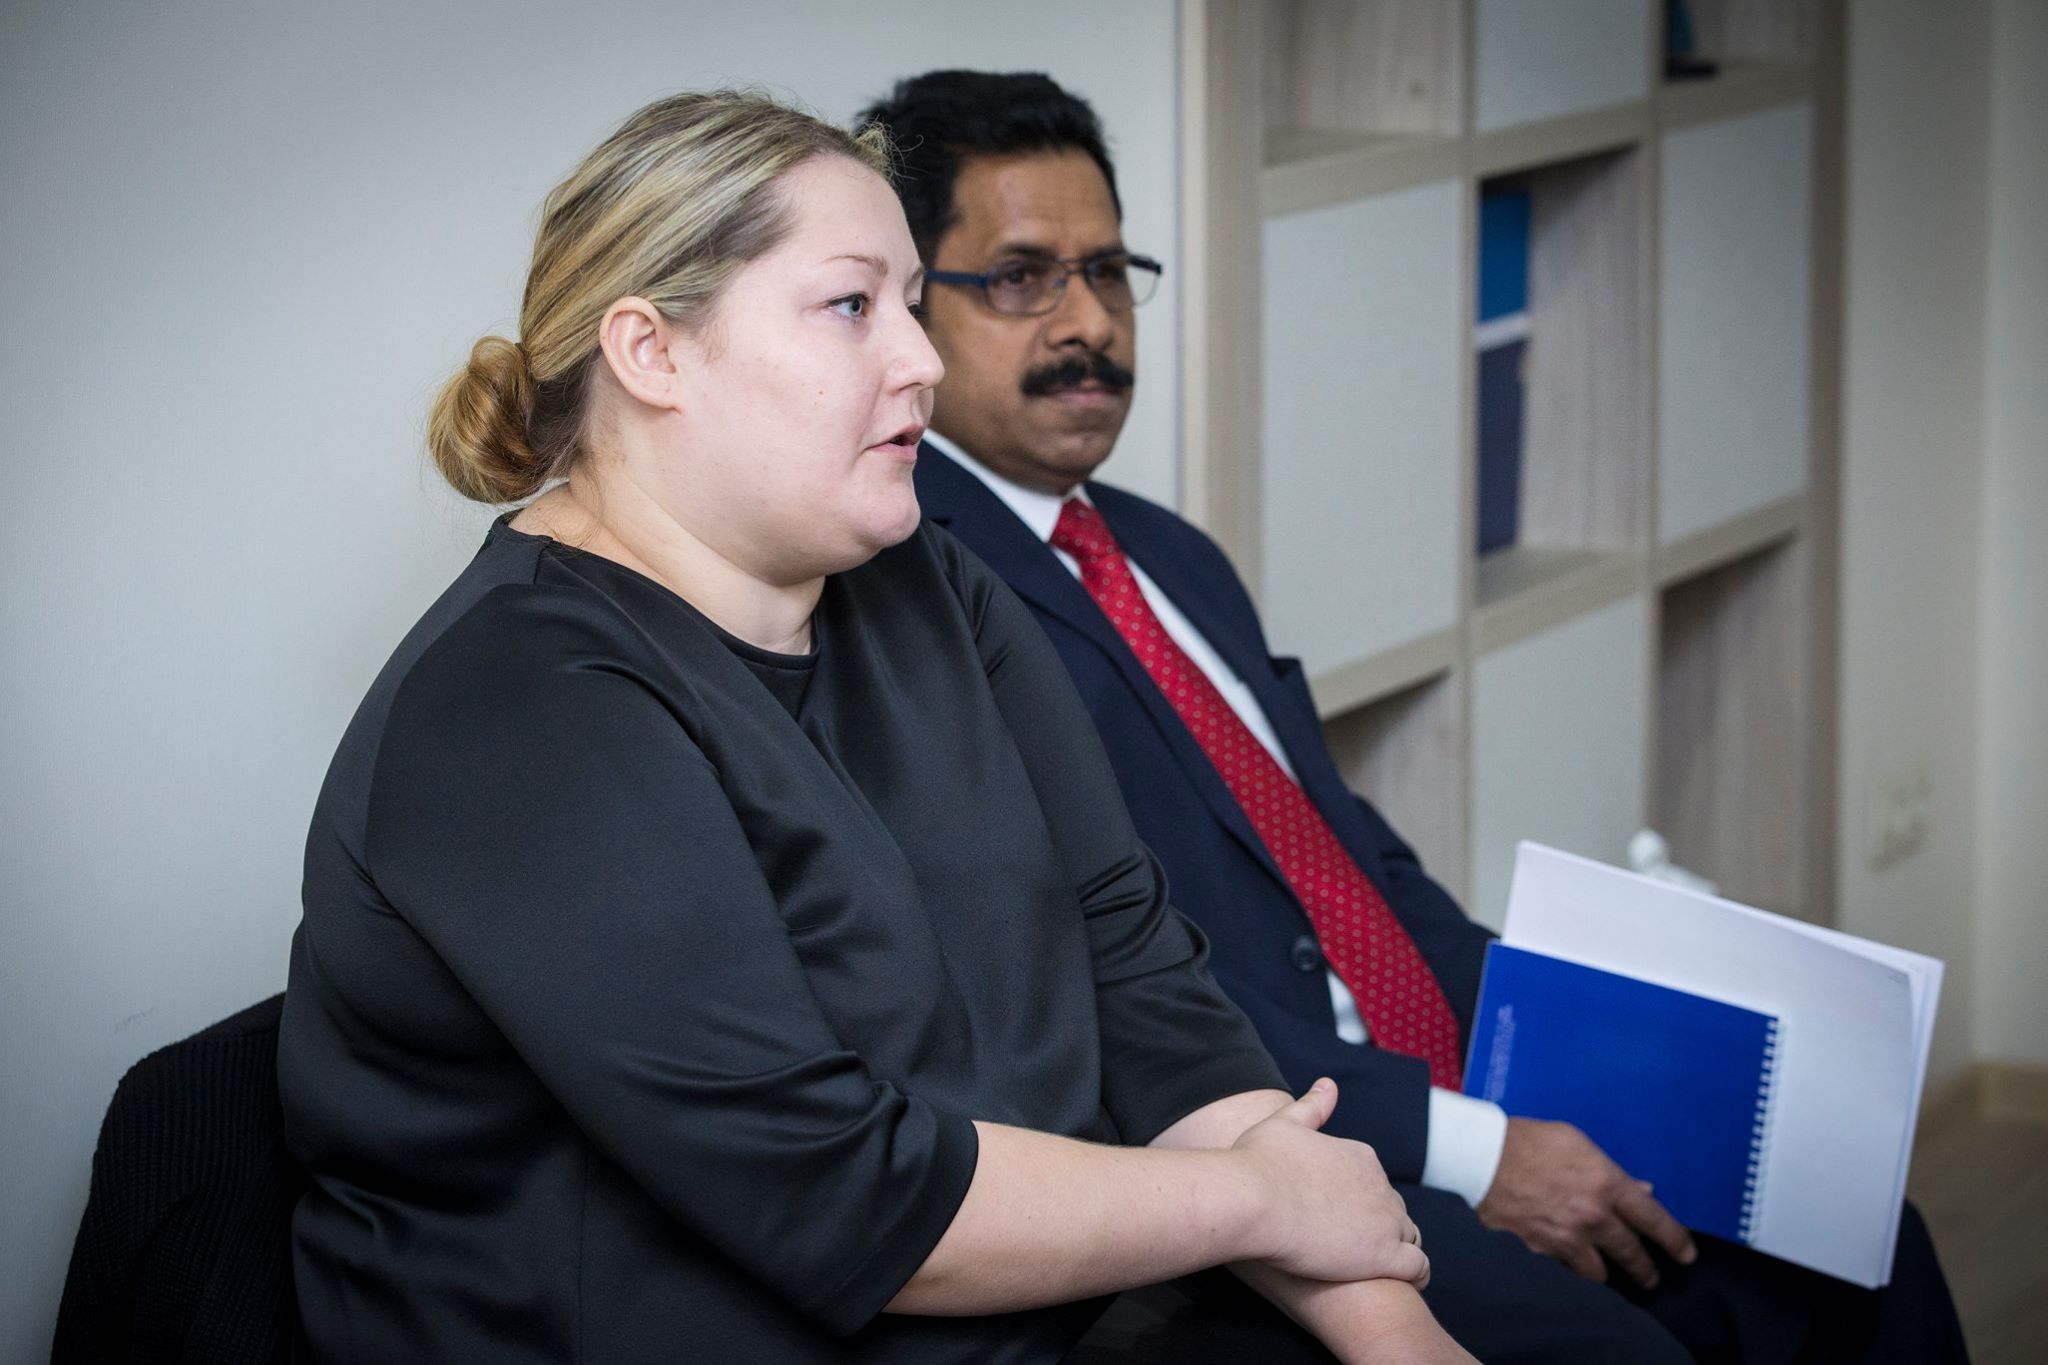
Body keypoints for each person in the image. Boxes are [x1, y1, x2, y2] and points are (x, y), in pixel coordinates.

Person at [276, 91, 1477, 1365]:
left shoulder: (929, 583)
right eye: (852, 306)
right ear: (651, 353)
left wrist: (1390, 1335)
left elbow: (1139, 989)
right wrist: (1260, 1202)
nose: (921, 360)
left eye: (909, 301)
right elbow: (848, 1200)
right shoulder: (521, 711)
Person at [866, 68, 1970, 1364]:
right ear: (912, 310)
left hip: (1442, 1078)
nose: (1089, 323)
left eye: (1108, 271)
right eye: (1021, 278)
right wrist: (1480, 1148)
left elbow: (1349, 855)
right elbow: (1105, 995)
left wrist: (1563, 1036)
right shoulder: (929, 606)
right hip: (1277, 1145)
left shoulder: (1164, 552)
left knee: (1866, 1256)